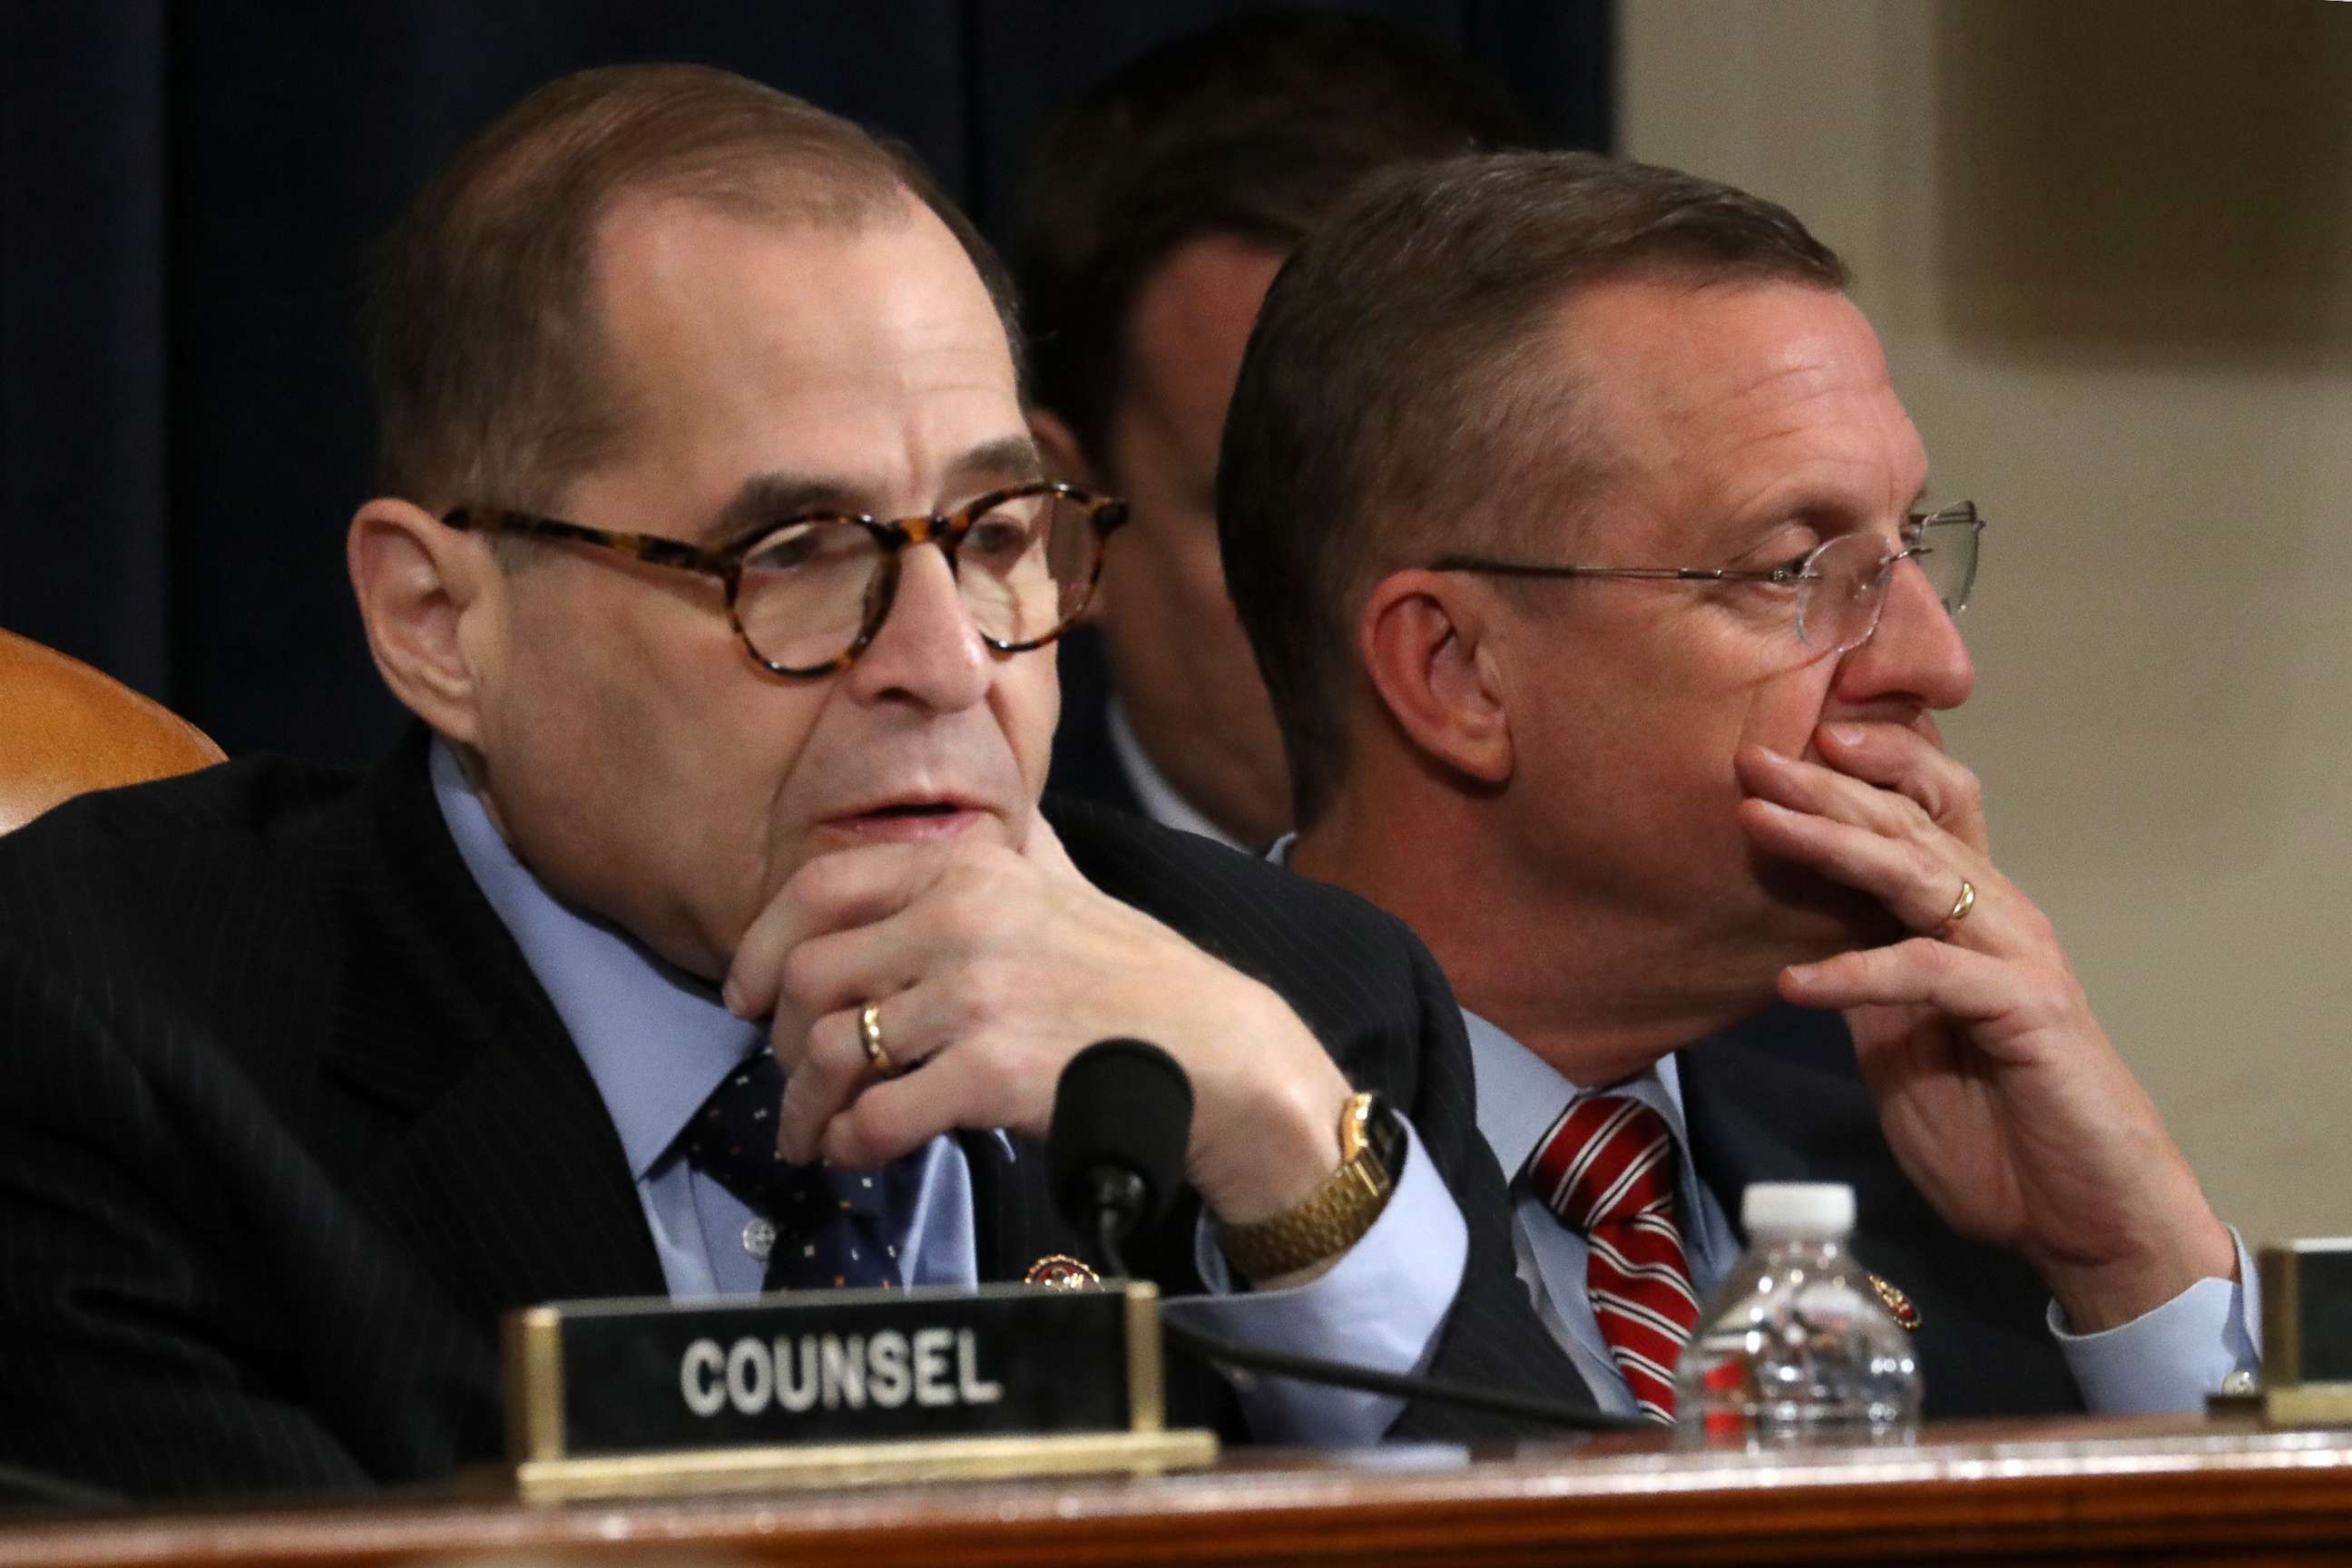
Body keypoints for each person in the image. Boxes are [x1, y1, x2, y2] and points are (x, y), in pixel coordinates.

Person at [0, 67, 1575, 1502]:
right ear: (439, 621)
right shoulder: (108, 1025)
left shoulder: (1294, 1002)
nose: (951, 662)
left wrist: (1298, 1170)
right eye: (797, 555)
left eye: (994, 534)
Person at [1218, 151, 2260, 1423]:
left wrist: (2130, 1262)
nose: (1937, 663)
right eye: (1792, 569)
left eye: (1910, 548)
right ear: (1457, 672)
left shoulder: (1954, 1186)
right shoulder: (1126, 1188)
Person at [1018, 12, 1533, 849]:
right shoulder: (947, 953)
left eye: (1470, 507)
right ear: (1065, 533)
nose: (1407, 623)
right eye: (1280, 517)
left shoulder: (1760, 942)